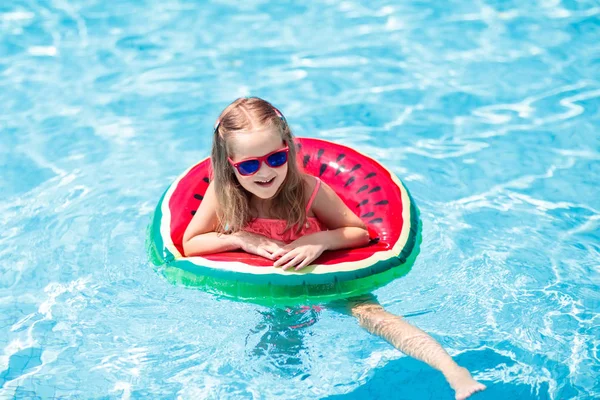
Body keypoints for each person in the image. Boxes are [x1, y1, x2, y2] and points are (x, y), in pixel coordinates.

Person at [182, 97, 486, 400]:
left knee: (374, 316)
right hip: (272, 288)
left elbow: (357, 232)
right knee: (276, 352)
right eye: (249, 165)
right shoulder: (222, 195)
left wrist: (319, 240)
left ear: (288, 147)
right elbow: (191, 243)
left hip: (325, 278)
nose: (265, 172)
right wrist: (242, 239)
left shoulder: (307, 190)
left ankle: (452, 371)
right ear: (229, 164)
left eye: (275, 158)